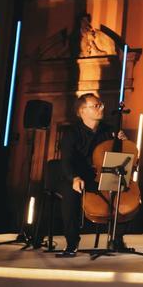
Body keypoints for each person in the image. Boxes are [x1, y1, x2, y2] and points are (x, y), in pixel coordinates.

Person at [55, 93, 129, 257]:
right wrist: (74, 177)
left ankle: (116, 239)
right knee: (70, 193)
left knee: (122, 189)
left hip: (99, 176)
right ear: (82, 111)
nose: (101, 108)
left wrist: (123, 142)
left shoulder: (109, 131)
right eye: (96, 106)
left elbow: (120, 157)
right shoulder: (71, 133)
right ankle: (72, 243)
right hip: (76, 177)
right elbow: (66, 161)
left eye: (101, 105)